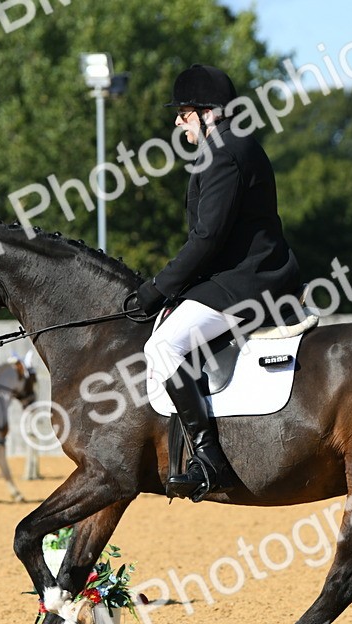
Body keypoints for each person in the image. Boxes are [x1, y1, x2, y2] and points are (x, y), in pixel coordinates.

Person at [133, 64, 301, 502]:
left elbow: (207, 237)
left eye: (184, 113)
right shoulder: (235, 146)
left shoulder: (223, 153)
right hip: (247, 276)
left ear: (208, 113)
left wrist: (159, 288)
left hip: (248, 283)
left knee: (163, 345)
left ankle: (209, 459)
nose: (177, 122)